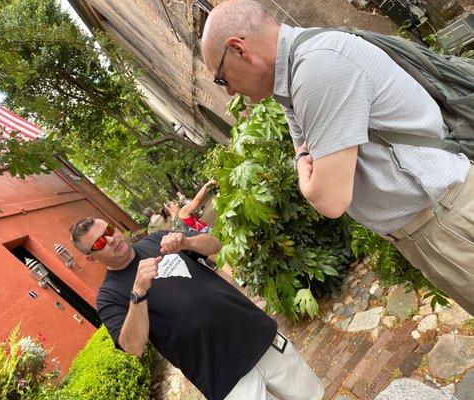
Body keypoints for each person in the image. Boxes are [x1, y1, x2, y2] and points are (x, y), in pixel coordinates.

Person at [201, 0, 474, 314]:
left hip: (447, 222)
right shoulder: (293, 79)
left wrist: (307, 183)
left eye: (221, 79)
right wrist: (306, 163)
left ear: (239, 50)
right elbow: (302, 151)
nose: (229, 93)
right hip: (434, 222)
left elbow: (328, 199)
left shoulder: (317, 70)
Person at [69, 218, 323, 400]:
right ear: (91, 258)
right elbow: (133, 346)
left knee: (310, 395)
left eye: (110, 230)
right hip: (221, 375)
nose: (112, 240)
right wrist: (138, 293)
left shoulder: (157, 240)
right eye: (100, 242)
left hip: (255, 334)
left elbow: (216, 247)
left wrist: (187, 242)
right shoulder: (108, 296)